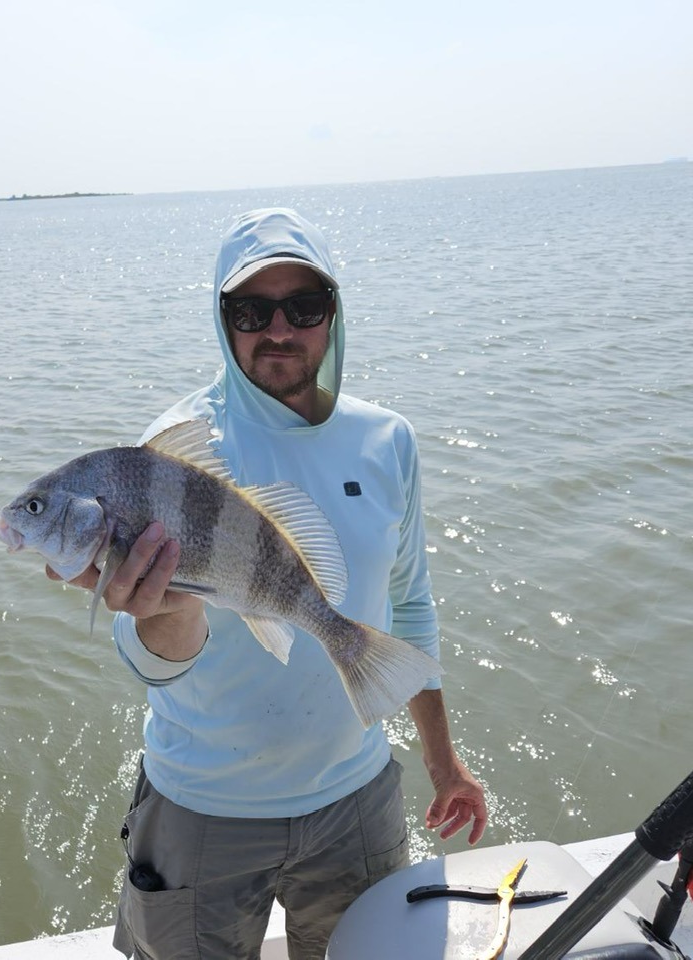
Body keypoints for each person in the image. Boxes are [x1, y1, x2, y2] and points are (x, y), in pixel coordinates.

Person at [47, 208, 487, 959]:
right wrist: (165, 609)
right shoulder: (177, 452)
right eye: (251, 310)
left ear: (334, 314)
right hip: (200, 811)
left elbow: (410, 601)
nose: (278, 330)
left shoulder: (388, 439)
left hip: (357, 804)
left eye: (303, 307)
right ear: (223, 320)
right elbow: (151, 658)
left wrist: (444, 762)